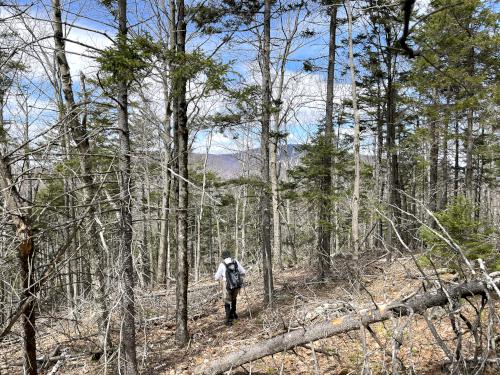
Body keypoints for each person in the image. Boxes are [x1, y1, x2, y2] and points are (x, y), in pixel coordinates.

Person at [214, 250, 246, 326]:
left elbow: (216, 277)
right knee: (234, 299)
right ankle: (234, 314)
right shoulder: (235, 262)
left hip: (227, 285)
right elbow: (243, 271)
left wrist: (221, 277)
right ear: (229, 255)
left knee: (227, 302)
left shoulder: (222, 264)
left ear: (223, 257)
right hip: (236, 285)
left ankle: (228, 320)